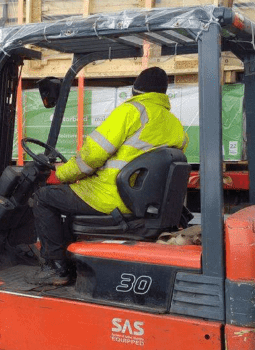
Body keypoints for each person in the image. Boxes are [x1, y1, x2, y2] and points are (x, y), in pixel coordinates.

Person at [31, 67, 188, 285]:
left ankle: (55, 268)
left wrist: (62, 173)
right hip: (142, 204)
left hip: (109, 196)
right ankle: (70, 258)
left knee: (43, 198)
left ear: (135, 90)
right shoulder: (175, 125)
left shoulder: (130, 111)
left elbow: (92, 155)